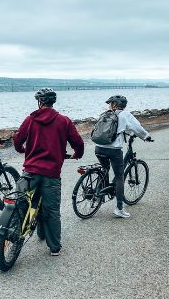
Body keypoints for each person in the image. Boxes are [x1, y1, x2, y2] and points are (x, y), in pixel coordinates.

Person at [13, 88, 84, 256]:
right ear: (53, 102)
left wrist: (21, 149)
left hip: (30, 171)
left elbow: (17, 139)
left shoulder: (30, 119)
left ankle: (18, 231)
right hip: (51, 173)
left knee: (22, 202)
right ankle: (54, 247)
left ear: (39, 102)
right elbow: (78, 143)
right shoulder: (64, 121)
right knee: (52, 210)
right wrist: (77, 155)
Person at [94, 95, 153, 219]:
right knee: (120, 176)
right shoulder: (126, 115)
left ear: (113, 104)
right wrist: (146, 136)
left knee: (105, 168)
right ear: (123, 105)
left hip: (98, 148)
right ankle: (119, 208)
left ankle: (99, 190)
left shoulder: (105, 114)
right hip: (114, 150)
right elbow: (137, 128)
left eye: (110, 103)